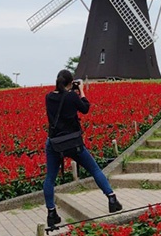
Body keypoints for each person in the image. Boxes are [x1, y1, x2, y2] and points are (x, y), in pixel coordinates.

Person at [43, 69, 122, 227]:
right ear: (71, 83)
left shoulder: (49, 97)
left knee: (50, 178)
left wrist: (71, 90)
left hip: (55, 144)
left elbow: (60, 99)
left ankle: (51, 213)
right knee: (94, 169)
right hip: (73, 143)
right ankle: (112, 199)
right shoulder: (72, 96)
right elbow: (85, 108)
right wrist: (82, 91)